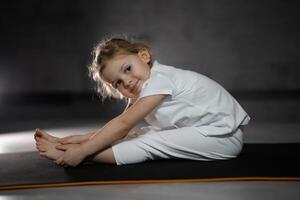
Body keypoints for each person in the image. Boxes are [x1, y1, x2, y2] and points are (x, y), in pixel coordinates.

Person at [35, 37, 250, 167]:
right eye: (117, 83)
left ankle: (80, 157)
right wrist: (77, 139)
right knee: (140, 134)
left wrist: (83, 151)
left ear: (144, 55)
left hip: (223, 137)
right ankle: (67, 148)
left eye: (127, 69)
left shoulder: (159, 79)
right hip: (207, 132)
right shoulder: (145, 88)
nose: (126, 82)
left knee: (149, 142)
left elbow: (122, 126)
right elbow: (118, 126)